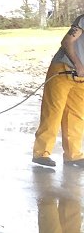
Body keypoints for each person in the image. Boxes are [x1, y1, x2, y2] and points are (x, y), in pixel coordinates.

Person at [32, 14, 84, 167]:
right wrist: (78, 65)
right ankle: (41, 153)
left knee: (76, 115)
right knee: (53, 112)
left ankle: (73, 156)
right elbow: (67, 42)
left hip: (81, 77)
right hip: (63, 68)